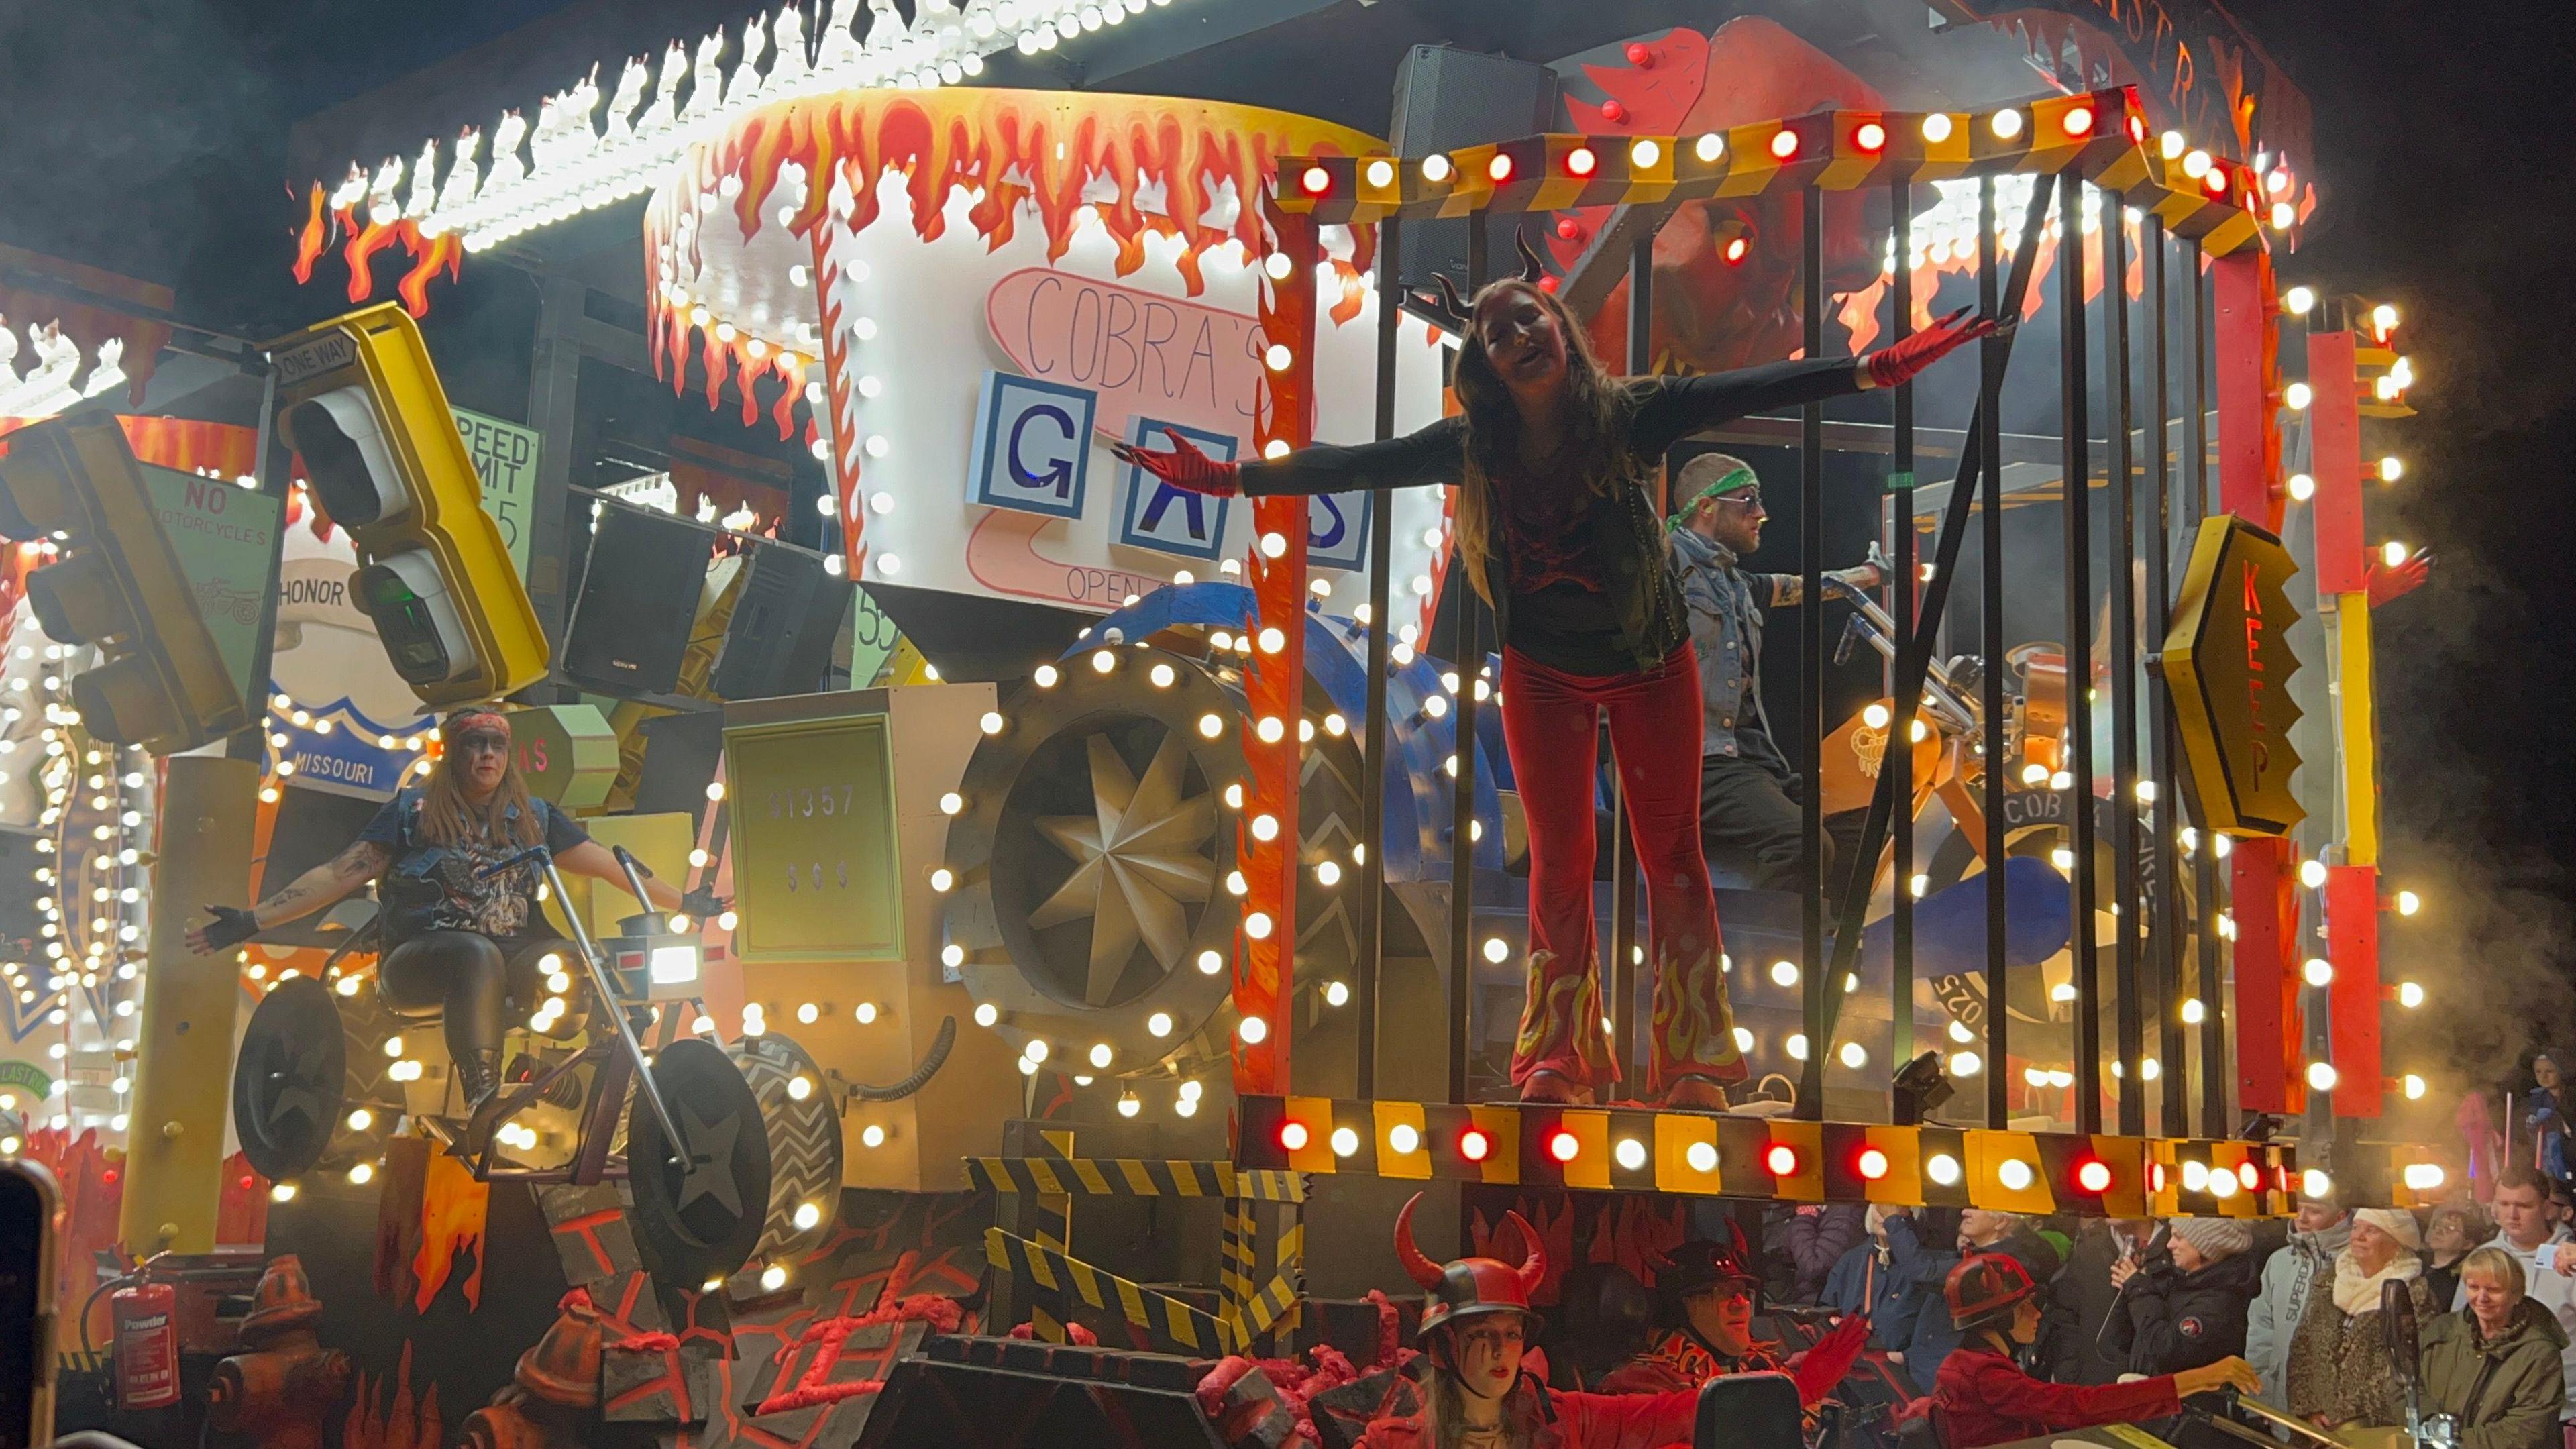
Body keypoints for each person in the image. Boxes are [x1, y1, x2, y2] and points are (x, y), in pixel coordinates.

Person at [1117, 283, 1992, 1108]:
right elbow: (1353, 464)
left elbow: (1748, 387)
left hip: (1652, 666)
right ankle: (1557, 1059)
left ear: (1561, 328)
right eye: (1496, 333)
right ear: (1487, 366)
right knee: (1561, 864)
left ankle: (1692, 1061)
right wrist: (1227, 480)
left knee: (1675, 859)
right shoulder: (1475, 448)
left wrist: (1875, 368)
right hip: (1544, 677)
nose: (1517, 335)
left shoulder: (1631, 415)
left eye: (1527, 317)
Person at [186, 706, 710, 1145]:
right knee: (473, 954)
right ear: (454, 754)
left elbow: (609, 864)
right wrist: (254, 920)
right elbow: (339, 872)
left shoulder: (535, 816)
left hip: (513, 954)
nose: (487, 755)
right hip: (419, 960)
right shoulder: (413, 811)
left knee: (573, 960)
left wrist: (684, 898)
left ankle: (557, 1080)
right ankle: (483, 1095)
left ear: (508, 757)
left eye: (496, 746)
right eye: (474, 744)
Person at [1663, 453, 1878, 894]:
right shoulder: (1665, 568)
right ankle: (1758, 947)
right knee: (1802, 843)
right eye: (1748, 500)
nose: (1761, 512)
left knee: (1865, 827)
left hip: (1749, 759)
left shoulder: (1736, 585)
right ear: (1707, 507)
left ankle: (1831, 946)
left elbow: (1804, 586)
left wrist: (1871, 574)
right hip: (1695, 763)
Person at [1365, 1194, 1705, 1449]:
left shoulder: (1566, 1418)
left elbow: (1668, 1414)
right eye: (1483, 1334)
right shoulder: (1390, 1443)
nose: (1502, 1350)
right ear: (1441, 1348)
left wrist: (1744, 1396)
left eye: (1512, 1334)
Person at [1925, 1253, 2259, 1449]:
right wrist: (2199, 1378)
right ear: (1999, 1318)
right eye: (2028, 1305)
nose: (2038, 1313)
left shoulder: (1967, 1366)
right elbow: (2080, 1407)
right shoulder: (1984, 1375)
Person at [2286, 1206, 2438, 1430]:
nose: (2359, 1236)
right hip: (2317, 1429)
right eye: (2356, 1227)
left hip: (2375, 1430)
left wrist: (2348, 1421)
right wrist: (2309, 1411)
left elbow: (2406, 1369)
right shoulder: (2329, 1281)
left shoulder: (2413, 1296)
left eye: (2372, 1230)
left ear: (2396, 1242)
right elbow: (2303, 1347)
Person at [2421, 1246, 2570, 1449]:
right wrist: (2429, 1423)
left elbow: (2527, 1429)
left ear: (2516, 1294)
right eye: (2474, 1287)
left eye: (2493, 1290)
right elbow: (2406, 1383)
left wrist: (2456, 1443)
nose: (2482, 1298)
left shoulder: (2539, 1352)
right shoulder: (2443, 1331)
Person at [2101, 1218, 2260, 1379]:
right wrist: (2129, 1290)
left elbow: (2166, 1352)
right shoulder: (2181, 1284)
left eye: (2178, 1237)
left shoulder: (2217, 1303)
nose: (2170, 1245)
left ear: (2204, 1247)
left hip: (2188, 1402)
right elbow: (2118, 1342)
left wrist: (2140, 1291)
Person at [2248, 1191, 2350, 1411]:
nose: (2302, 1218)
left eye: (2314, 1211)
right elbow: (2261, 1331)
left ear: (2341, 1217)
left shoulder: (2353, 1264)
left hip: (2331, 1413)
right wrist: (2260, 1400)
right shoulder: (2279, 1261)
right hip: (2280, 1403)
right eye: (2297, 1208)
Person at [2065, 1218, 2165, 1385]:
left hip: (2153, 1392)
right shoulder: (2088, 1249)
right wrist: (2069, 1372)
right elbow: (2065, 1313)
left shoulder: (2180, 1250)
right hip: (2092, 1388)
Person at [1824, 1207, 1917, 1356]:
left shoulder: (1925, 1268)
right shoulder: (1850, 1261)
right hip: (1850, 1363)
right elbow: (1827, 1312)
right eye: (1878, 1206)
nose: (1883, 1214)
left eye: (1895, 1207)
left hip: (1900, 1371)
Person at [1764, 1203, 1868, 1307]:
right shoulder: (1815, 1207)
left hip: (1815, 1304)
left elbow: (1814, 1268)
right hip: (1794, 1293)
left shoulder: (1845, 1215)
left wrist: (1804, 1219)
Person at [2428, 1200, 2500, 1308]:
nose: (2439, 1231)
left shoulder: (2465, 1279)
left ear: (2468, 1244)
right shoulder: (2419, 1267)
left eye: (2450, 1228)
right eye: (2438, 1225)